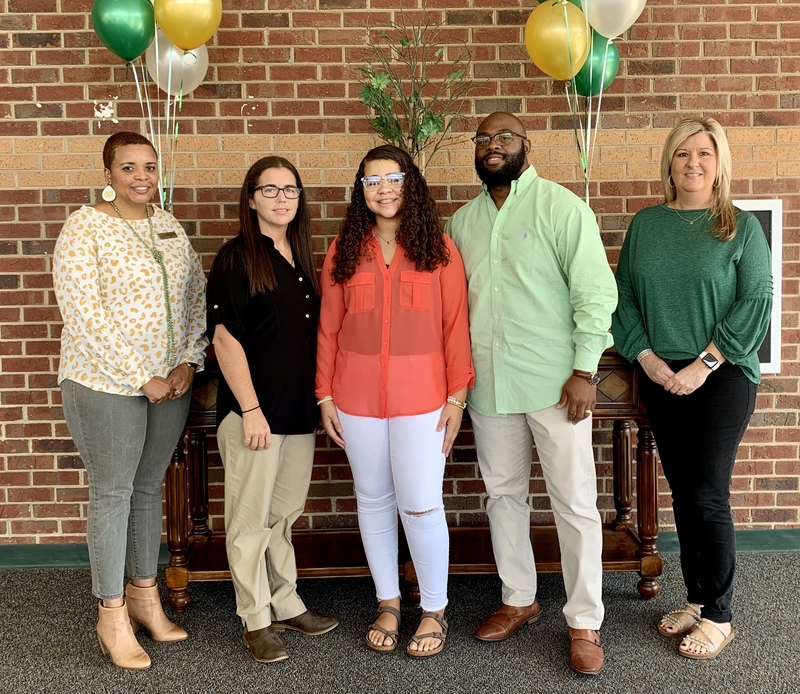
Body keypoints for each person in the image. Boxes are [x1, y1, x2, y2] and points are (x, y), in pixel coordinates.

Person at [445, 112, 617, 675]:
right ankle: (519, 598)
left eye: (503, 138)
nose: (492, 146)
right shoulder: (461, 223)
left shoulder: (563, 209)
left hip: (556, 384)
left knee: (573, 501)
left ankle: (584, 620)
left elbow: (595, 294)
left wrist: (586, 371)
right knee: (503, 495)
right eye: (483, 140)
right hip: (489, 386)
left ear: (525, 144)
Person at [612, 117, 772, 660]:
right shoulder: (647, 225)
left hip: (722, 374)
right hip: (662, 374)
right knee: (683, 495)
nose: (693, 164)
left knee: (707, 495)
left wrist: (705, 363)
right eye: (682, 154)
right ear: (669, 163)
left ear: (719, 161)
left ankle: (721, 615)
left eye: (704, 153)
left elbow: (755, 303)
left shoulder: (740, 227)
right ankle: (700, 599)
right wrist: (649, 360)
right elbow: (625, 299)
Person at [53, 131, 208, 670]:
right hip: (105, 382)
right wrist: (141, 375)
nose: (141, 177)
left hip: (171, 383)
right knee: (114, 492)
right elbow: (83, 314)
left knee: (149, 488)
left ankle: (146, 597)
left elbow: (194, 294)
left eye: (149, 166)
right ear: (109, 173)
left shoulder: (168, 224)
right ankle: (111, 613)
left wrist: (188, 357)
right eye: (128, 168)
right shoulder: (85, 227)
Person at [316, 144, 474, 658]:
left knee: (422, 505)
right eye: (371, 181)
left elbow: (456, 329)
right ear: (360, 190)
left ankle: (433, 609)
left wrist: (457, 397)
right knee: (373, 501)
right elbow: (328, 329)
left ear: (410, 184)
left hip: (423, 400)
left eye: (392, 178)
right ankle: (388, 601)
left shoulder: (441, 251)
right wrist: (324, 395)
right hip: (356, 399)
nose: (383, 189)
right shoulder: (342, 251)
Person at [206, 157, 338, 664]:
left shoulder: (300, 258)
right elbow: (225, 338)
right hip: (254, 416)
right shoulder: (237, 258)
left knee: (283, 518)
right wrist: (251, 408)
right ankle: (255, 618)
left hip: (297, 413)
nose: (282, 199)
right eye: (271, 190)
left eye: (291, 190)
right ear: (251, 198)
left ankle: (286, 602)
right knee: (249, 521)